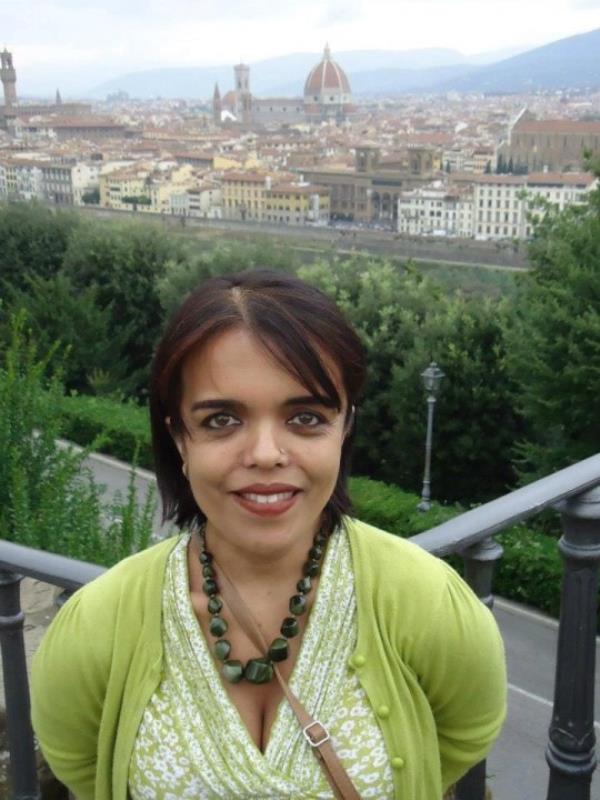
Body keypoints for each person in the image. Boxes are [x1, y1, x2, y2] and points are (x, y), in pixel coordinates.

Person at [31, 269, 507, 800]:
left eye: (305, 417)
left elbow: (463, 738)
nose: (264, 453)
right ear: (178, 437)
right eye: (220, 420)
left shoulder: (430, 605)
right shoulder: (97, 626)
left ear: (345, 427)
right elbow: (80, 764)